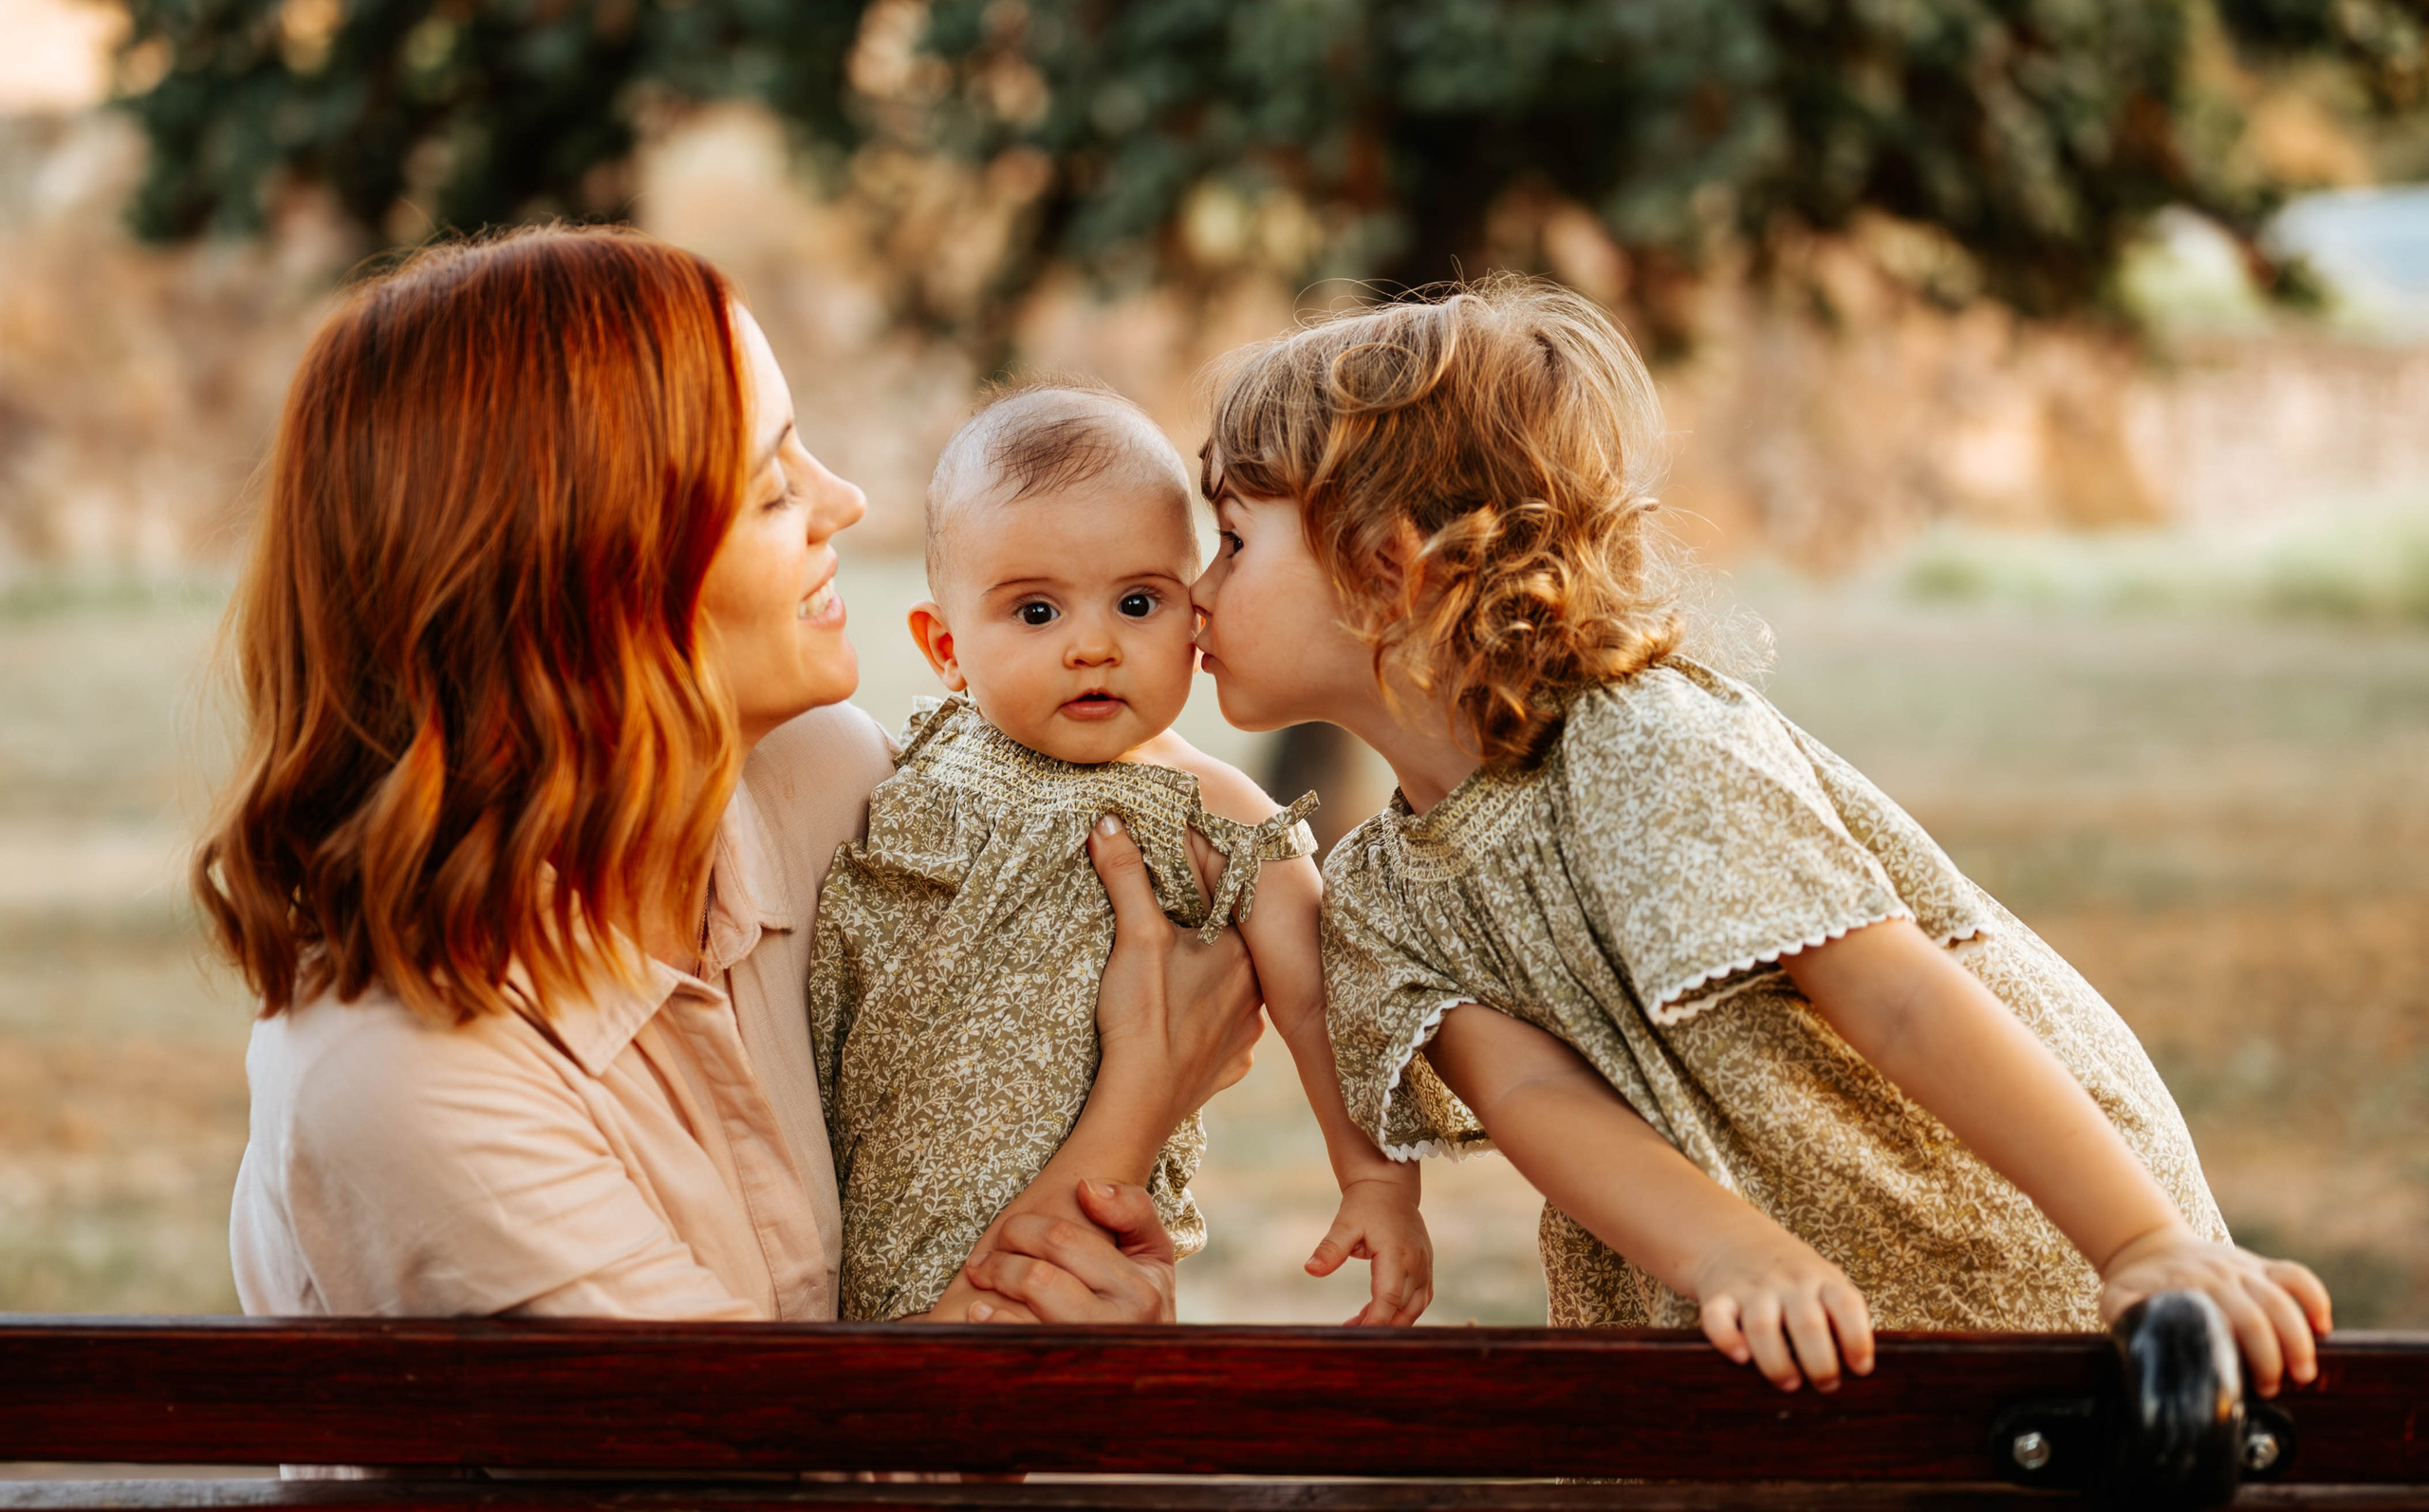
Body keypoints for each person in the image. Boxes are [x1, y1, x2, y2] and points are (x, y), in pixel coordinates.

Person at [1186, 276, 2335, 1395]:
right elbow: (1534, 1095)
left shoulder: (1639, 748)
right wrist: (1725, 1250)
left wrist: (2139, 1242)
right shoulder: (1381, 894)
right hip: (1772, 1308)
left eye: (1232, 540)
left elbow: (1898, 992)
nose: (1194, 588)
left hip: (2003, 1253)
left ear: (1387, 566)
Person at [198, 226, 1262, 1326]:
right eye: (769, 490)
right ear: (589, 575)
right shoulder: (408, 1072)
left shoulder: (824, 782)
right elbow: (762, 1481)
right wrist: (1138, 1096)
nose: (844, 500)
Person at [810, 381, 1432, 1324]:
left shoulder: (1220, 814)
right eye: (1035, 613)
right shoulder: (919, 756)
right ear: (945, 645)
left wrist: (1374, 1180)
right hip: (875, 1183)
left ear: (1196, 619)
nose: (1093, 645)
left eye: (1137, 601)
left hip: (1075, 1233)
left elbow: (1321, 1004)